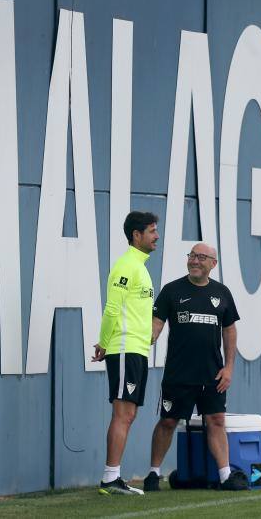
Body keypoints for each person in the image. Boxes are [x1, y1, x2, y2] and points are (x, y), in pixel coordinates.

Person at [143, 242, 247, 491]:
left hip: (213, 374)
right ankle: (153, 474)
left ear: (213, 263)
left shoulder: (222, 293)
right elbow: (155, 325)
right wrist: (144, 339)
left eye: (201, 257)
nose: (195, 261)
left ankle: (225, 476)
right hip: (179, 373)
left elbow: (230, 330)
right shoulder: (172, 290)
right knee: (168, 421)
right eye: (192, 256)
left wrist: (229, 368)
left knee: (216, 420)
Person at [91, 211, 159, 495]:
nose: (156, 236)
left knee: (129, 414)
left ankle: (113, 476)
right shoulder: (126, 266)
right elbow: (112, 308)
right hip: (123, 349)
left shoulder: (140, 267)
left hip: (137, 351)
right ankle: (110, 477)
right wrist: (104, 343)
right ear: (136, 235)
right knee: (122, 414)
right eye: (152, 231)